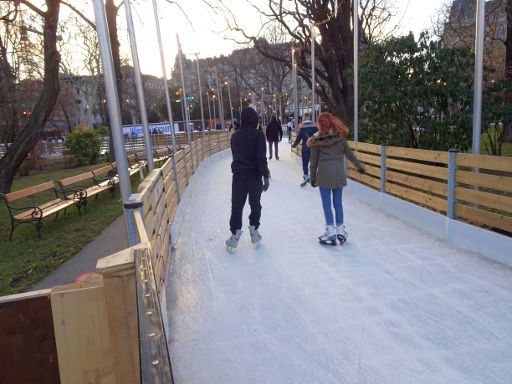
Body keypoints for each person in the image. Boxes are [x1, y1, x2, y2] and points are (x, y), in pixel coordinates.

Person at [307, 112, 365, 246]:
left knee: (327, 205)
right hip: (339, 174)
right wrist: (359, 166)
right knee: (338, 204)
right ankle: (341, 231)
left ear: (321, 125)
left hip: (325, 176)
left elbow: (313, 162)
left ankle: (331, 232)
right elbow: (350, 155)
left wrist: (313, 178)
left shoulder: (316, 141)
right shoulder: (341, 138)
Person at [226, 107, 271, 250]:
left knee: (237, 206)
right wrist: (266, 176)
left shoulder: (235, 136)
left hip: (238, 177)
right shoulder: (258, 135)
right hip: (254, 177)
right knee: (255, 204)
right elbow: (260, 158)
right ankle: (254, 229)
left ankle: (234, 234)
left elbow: (236, 155)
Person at [291, 112, 318, 186]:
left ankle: (306, 176)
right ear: (309, 118)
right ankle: (313, 177)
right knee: (313, 163)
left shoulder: (302, 127)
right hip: (313, 147)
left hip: (305, 148)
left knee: (305, 163)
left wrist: (294, 145)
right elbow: (318, 136)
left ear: (303, 118)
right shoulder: (315, 126)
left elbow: (299, 138)